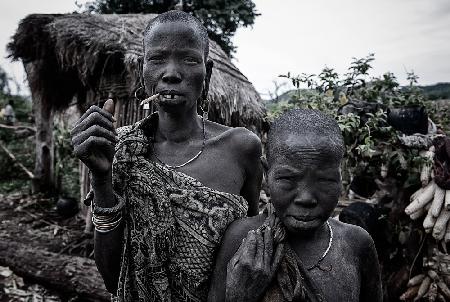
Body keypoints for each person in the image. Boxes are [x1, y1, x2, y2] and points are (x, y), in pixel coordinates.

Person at [70, 10, 262, 302]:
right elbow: (111, 278)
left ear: (207, 72)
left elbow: (249, 250)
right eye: (157, 59)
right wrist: (101, 178)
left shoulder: (241, 147)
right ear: (142, 69)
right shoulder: (120, 150)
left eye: (188, 59)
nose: (171, 73)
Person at [208, 109, 382, 302]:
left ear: (340, 177)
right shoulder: (241, 238)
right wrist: (240, 296)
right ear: (267, 174)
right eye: (288, 179)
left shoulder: (355, 243)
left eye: (324, 180)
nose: (306, 198)